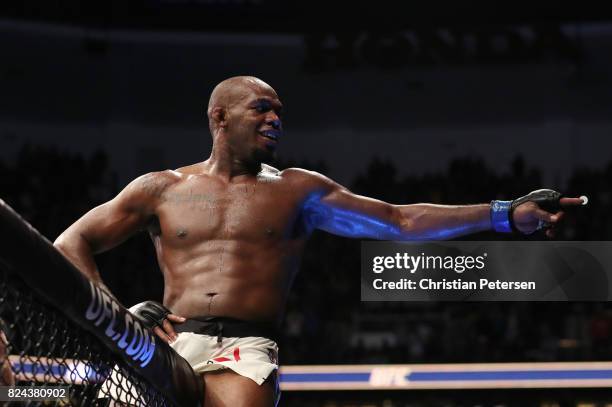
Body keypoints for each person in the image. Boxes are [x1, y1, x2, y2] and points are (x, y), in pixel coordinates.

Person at [53, 76, 584, 406]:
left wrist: (504, 216)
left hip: (244, 348)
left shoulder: (297, 190)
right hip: (164, 340)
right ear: (219, 117)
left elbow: (398, 220)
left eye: (279, 110)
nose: (275, 119)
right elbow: (70, 243)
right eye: (261, 108)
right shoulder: (161, 188)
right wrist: (115, 317)